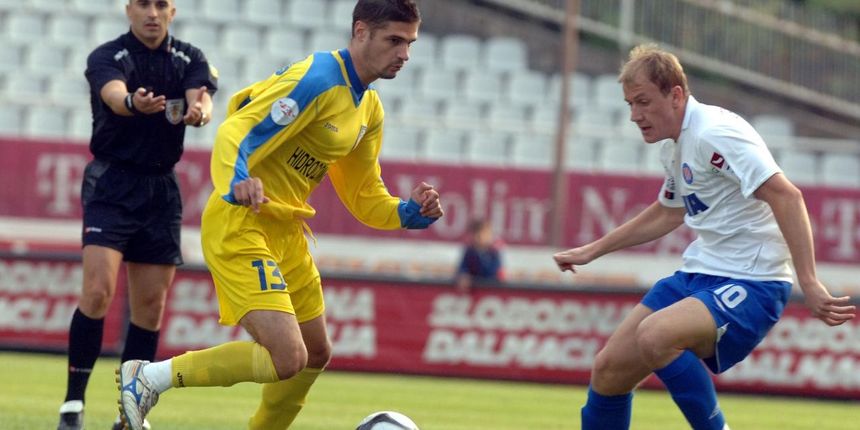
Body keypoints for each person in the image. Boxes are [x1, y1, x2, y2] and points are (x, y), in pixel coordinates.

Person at [115, 1, 442, 429]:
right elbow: (238, 128)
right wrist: (236, 180)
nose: (404, 54)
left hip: (287, 231)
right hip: (242, 223)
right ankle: (150, 378)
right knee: (288, 357)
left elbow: (363, 193)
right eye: (394, 40)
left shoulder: (368, 110)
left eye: (410, 43)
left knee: (315, 353)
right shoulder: (318, 78)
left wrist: (408, 212)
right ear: (360, 32)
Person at [552, 44, 855, 430]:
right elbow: (669, 212)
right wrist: (594, 250)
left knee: (655, 335)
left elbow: (786, 195)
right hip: (702, 273)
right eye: (630, 104)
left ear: (675, 94)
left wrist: (809, 282)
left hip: (753, 279)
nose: (634, 115)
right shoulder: (676, 146)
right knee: (609, 370)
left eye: (643, 102)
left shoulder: (716, 133)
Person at [56, 1, 216, 429]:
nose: (152, 12)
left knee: (149, 306)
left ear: (173, 11)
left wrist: (200, 112)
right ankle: (72, 404)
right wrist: (132, 101)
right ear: (128, 9)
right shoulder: (108, 56)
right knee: (98, 291)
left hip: (161, 188)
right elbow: (114, 96)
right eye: (143, 3)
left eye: (160, 4)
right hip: (112, 182)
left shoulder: (190, 58)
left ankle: (128, 414)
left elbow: (201, 100)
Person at [455, 218, 503, 292]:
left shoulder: (494, 253)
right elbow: (462, 267)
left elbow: (495, 271)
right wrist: (464, 275)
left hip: (489, 290)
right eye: (481, 234)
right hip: (472, 291)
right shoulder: (469, 252)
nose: (485, 237)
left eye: (488, 234)